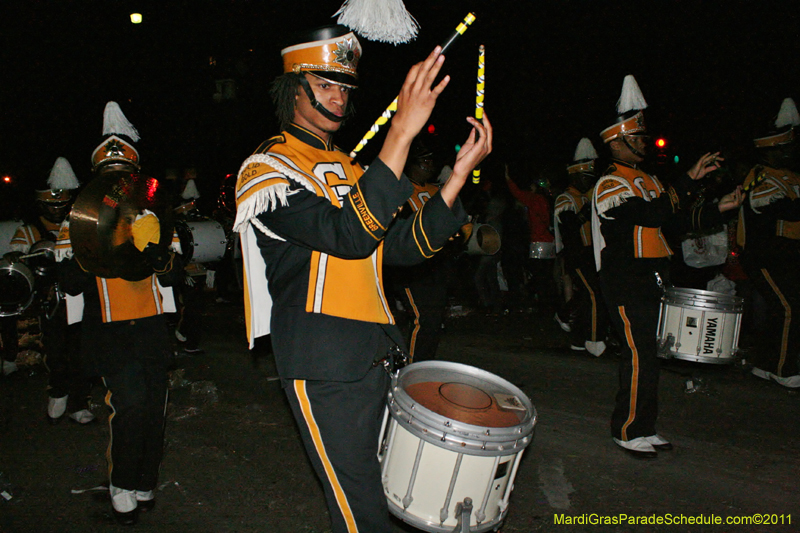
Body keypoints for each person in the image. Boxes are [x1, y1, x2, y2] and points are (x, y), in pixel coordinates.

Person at [233, 26, 492, 533]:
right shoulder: (265, 170)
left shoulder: (351, 168)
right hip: (323, 355)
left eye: (345, 88)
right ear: (294, 88)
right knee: (362, 509)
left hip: (378, 347)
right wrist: (400, 133)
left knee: (390, 494)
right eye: (325, 83)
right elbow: (347, 234)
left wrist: (455, 178)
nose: (338, 96)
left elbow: (400, 250)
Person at [592, 75, 743, 459]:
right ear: (616, 141)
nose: (644, 143)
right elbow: (652, 213)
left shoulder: (649, 179)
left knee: (651, 353)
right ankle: (626, 429)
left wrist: (717, 209)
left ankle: (645, 425)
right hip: (626, 279)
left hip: (655, 277)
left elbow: (672, 224)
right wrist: (688, 179)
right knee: (638, 354)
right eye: (637, 137)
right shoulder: (610, 184)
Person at [56, 101, 182, 525]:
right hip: (107, 328)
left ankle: (145, 479)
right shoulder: (79, 218)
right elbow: (69, 283)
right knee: (129, 403)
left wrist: (155, 247)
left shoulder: (154, 212)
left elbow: (171, 275)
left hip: (149, 325)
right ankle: (121, 483)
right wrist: (97, 244)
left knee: (156, 405)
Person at [7, 157, 95, 423]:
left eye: (61, 204)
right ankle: (58, 391)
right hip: (51, 302)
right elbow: (17, 268)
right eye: (50, 204)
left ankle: (79, 402)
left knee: (82, 352)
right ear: (40, 203)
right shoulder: (28, 231)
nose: (56, 210)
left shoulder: (81, 226)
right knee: (56, 351)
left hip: (80, 299)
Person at [738, 97, 800, 388]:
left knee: (782, 310)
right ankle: (783, 368)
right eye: (784, 148)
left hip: (786, 257)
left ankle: (765, 363)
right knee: (788, 309)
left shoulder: (788, 177)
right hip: (764, 258)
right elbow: (786, 211)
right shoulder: (761, 179)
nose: (790, 152)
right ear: (770, 151)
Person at [386, 138, 454, 361]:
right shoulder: (401, 189)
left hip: (436, 263)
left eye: (431, 163)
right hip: (411, 265)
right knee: (423, 318)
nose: (430, 167)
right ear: (412, 164)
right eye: (425, 162)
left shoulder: (435, 190)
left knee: (433, 319)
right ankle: (412, 370)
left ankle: (422, 364)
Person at [554, 138, 608, 356]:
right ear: (575, 176)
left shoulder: (591, 196)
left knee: (589, 297)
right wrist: (588, 209)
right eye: (587, 177)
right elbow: (569, 228)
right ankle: (594, 339)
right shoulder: (565, 198)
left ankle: (577, 337)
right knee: (594, 294)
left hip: (593, 254)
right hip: (577, 256)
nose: (590, 182)